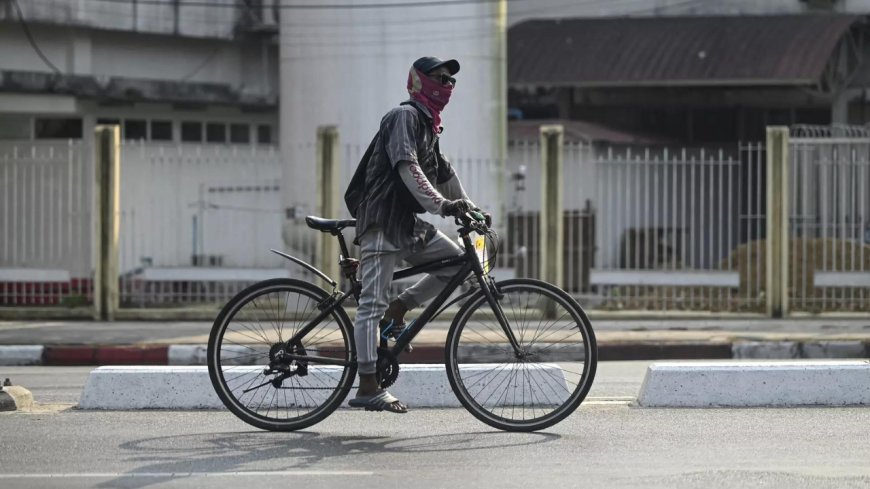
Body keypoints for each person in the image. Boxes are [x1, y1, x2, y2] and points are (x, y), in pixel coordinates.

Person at [345, 56, 487, 413]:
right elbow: (406, 165)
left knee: (458, 265)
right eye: (440, 78)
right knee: (370, 305)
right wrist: (443, 206)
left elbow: (443, 175)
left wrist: (470, 209)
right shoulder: (403, 117)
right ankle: (367, 384)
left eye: (451, 81)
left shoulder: (430, 127)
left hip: (407, 223)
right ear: (420, 81)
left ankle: (400, 306)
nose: (447, 85)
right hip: (380, 219)